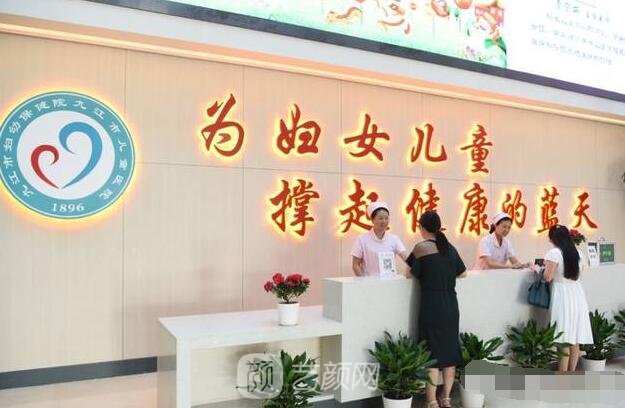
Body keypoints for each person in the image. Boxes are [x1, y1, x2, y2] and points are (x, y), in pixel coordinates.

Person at [405, 210, 467, 408]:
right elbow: (463, 273)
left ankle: (431, 401)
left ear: (422, 228)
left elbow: (408, 274)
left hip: (431, 305)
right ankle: (446, 398)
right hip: (451, 304)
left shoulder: (421, 248)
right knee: (449, 355)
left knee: (431, 355)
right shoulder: (450, 248)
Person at [543, 224, 593, 372]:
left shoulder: (554, 253)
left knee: (564, 338)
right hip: (577, 294)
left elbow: (548, 277)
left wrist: (538, 269)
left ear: (552, 238)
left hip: (562, 296)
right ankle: (571, 373)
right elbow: (581, 272)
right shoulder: (578, 253)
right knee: (575, 338)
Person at [351, 202, 408, 277]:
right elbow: (355, 265)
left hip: (390, 281)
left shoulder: (394, 239)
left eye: (386, 218)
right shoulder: (362, 239)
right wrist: (364, 281)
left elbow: (405, 257)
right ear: (372, 220)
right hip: (370, 282)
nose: (384, 221)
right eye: (380, 218)